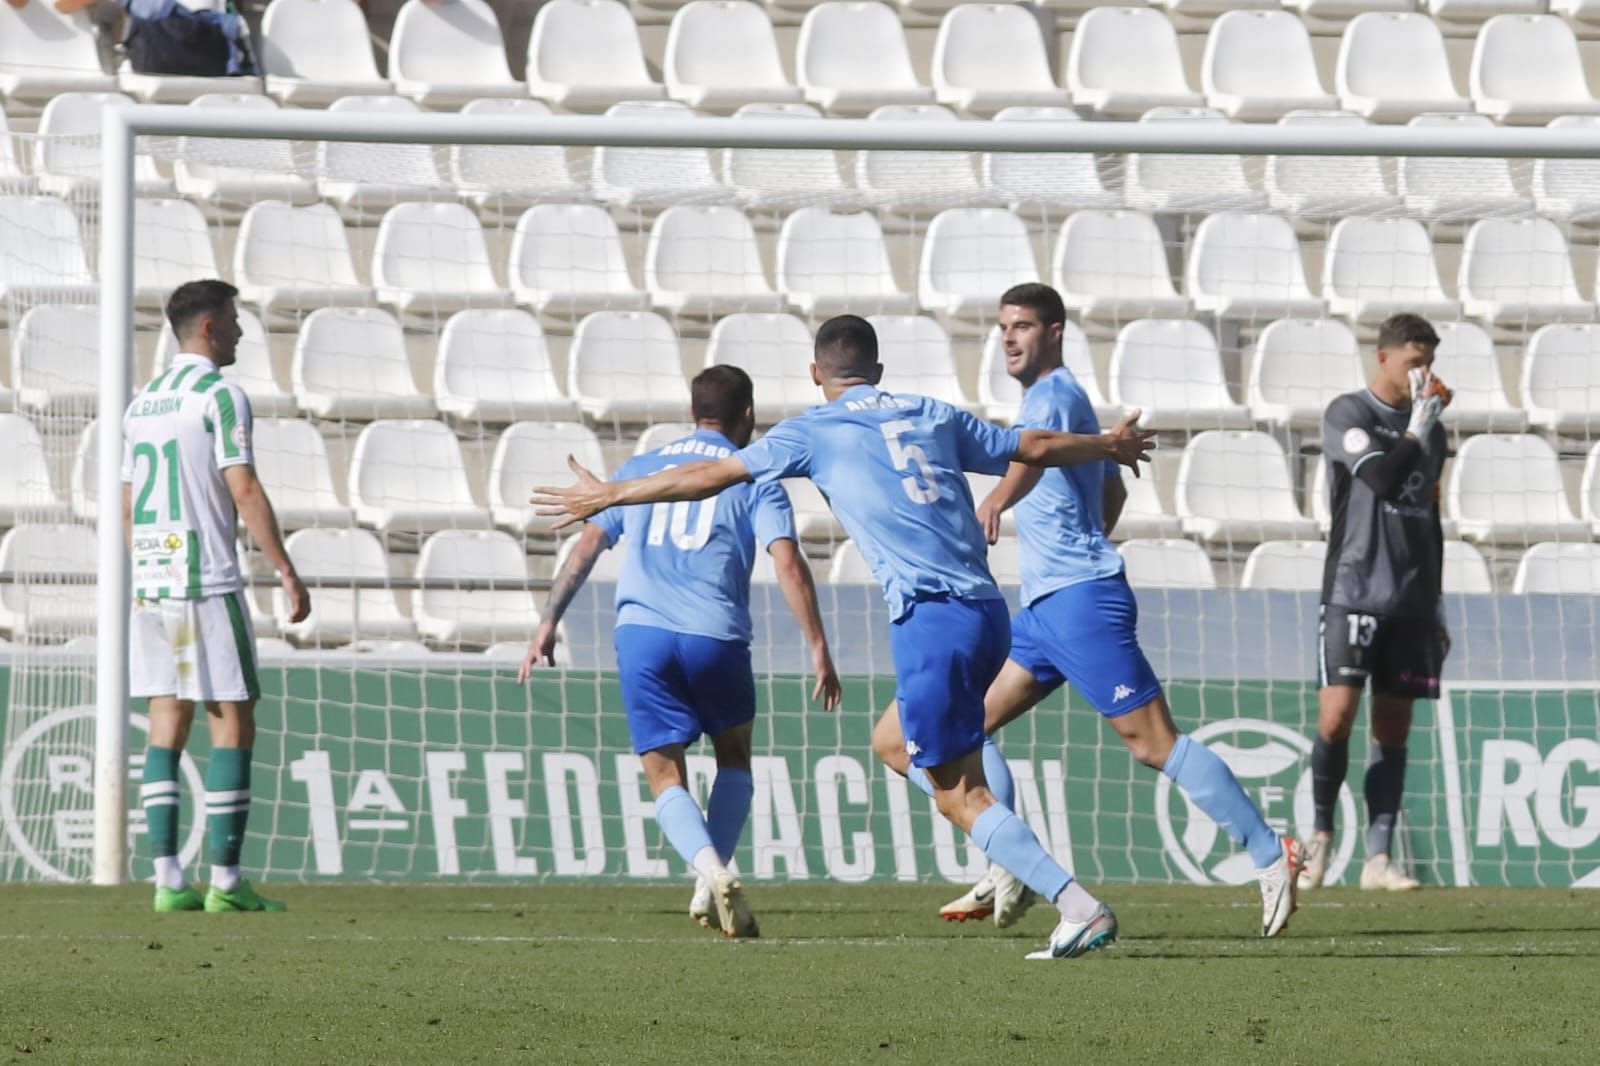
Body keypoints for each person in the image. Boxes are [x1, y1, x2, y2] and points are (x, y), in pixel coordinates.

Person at [532, 315, 1157, 960]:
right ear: (878, 371)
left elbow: (706, 478)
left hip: (930, 617)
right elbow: (1034, 444)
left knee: (956, 795)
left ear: (814, 374)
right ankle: (1003, 836)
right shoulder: (930, 410)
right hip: (988, 609)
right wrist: (1107, 445)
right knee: (892, 741)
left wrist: (614, 492)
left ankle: (1074, 903)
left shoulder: (812, 430)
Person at [871, 284, 1302, 939]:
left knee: (1151, 741)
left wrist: (995, 503)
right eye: (1003, 327)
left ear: (1056, 332)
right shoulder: (1053, 404)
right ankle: (1006, 865)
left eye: (1022, 326)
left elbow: (1031, 455)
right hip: (1043, 610)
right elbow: (1110, 488)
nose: (1009, 338)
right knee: (955, 730)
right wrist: (1085, 533)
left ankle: (1273, 855)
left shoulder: (1054, 396)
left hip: (1079, 603)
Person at [518, 366, 841, 938]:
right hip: (715, 635)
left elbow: (586, 546)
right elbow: (786, 561)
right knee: (734, 758)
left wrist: (547, 622)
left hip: (642, 635)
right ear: (747, 416)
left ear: (694, 411)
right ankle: (710, 880)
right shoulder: (754, 473)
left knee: (666, 775)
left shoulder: (640, 468)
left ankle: (710, 871)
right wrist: (818, 646)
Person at [125, 279, 310, 913]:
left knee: (166, 719)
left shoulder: (142, 402)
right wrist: (285, 569)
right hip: (204, 581)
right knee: (231, 719)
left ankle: (168, 879)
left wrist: (147, 573)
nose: (238, 333)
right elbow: (245, 489)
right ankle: (226, 883)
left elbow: (127, 506)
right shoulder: (220, 395)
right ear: (208, 327)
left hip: (153, 582)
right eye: (232, 321)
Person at [1303, 313, 1452, 892]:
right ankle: (1319, 841)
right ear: (1384, 358)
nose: (1423, 374)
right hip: (1353, 590)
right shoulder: (1350, 413)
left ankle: (1378, 859)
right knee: (1336, 718)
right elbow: (1385, 482)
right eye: (1415, 362)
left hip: (1412, 599)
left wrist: (1437, 605)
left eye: (1429, 364)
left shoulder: (1433, 429)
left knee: (1393, 729)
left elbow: (1430, 517)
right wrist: (1417, 426)